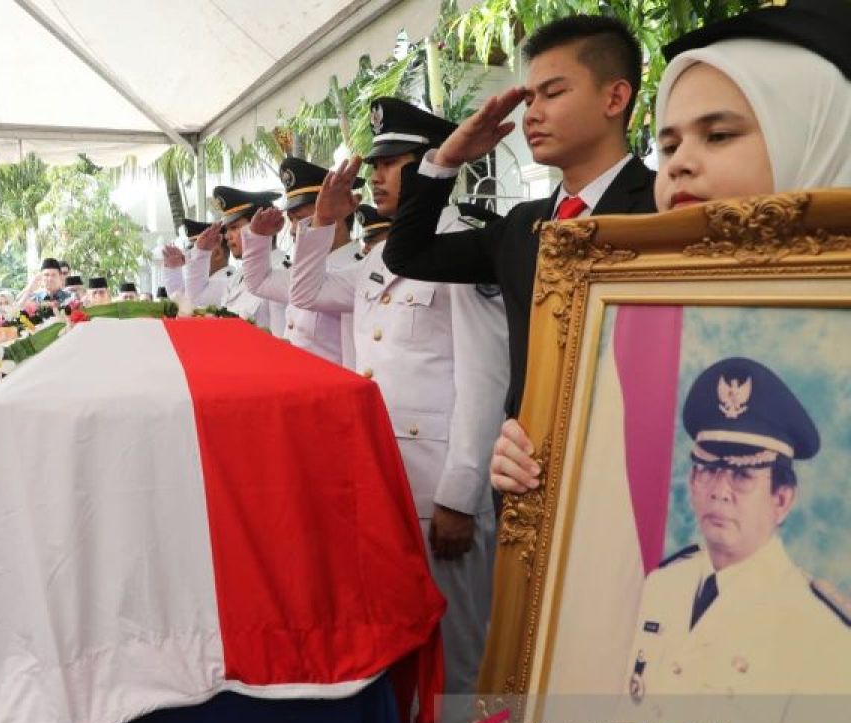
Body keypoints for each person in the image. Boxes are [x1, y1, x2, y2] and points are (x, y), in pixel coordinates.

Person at [492, 1, 851, 496]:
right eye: (670, 146)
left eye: (719, 135)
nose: (679, 166)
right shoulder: (639, 312)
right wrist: (538, 462)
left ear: (816, 137)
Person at [292, 97, 510, 723]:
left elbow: (485, 377)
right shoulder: (386, 254)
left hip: (438, 493)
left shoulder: (465, 245)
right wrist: (325, 224)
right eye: (379, 164)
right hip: (384, 489)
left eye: (393, 163)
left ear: (435, 165)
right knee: (399, 652)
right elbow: (307, 291)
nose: (380, 176)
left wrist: (460, 493)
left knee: (463, 658)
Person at [380, 15, 654, 425]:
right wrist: (446, 160)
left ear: (614, 99)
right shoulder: (521, 226)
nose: (532, 115)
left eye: (553, 93)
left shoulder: (663, 209)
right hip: (525, 464)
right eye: (529, 101)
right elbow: (407, 256)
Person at [599, 356, 851, 723]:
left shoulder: (822, 638)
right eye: (709, 469)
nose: (719, 489)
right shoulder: (662, 586)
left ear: (783, 498)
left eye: (742, 475)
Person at [240, 157, 362, 365]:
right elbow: (258, 282)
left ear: (336, 215)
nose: (295, 229)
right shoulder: (305, 272)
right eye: (293, 220)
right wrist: (259, 237)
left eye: (305, 220)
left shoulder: (357, 271)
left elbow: (354, 359)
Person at [181, 188, 285, 332]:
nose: (227, 236)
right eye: (228, 229)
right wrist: (201, 252)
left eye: (235, 227)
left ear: (260, 224)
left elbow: (281, 341)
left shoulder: (282, 271)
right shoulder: (239, 277)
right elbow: (196, 296)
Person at [161, 218, 229, 299]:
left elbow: (192, 301)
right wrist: (173, 270)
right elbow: (181, 303)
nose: (188, 256)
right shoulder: (202, 284)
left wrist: (200, 255)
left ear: (218, 254)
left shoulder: (226, 283)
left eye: (197, 249)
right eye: (190, 250)